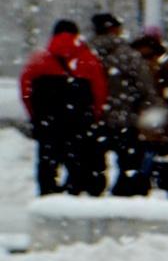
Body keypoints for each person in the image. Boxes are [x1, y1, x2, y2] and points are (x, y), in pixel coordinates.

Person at [17, 19, 108, 196]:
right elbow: (100, 91)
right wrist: (93, 115)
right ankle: (73, 194)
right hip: (78, 120)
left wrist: (36, 115)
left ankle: (47, 193)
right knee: (77, 159)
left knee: (47, 159)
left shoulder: (39, 59)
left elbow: (25, 90)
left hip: (48, 120)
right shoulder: (87, 59)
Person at [86, 12, 161, 196]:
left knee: (94, 167)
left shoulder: (85, 54)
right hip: (125, 120)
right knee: (128, 167)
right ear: (114, 29)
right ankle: (123, 197)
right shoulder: (128, 56)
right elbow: (146, 89)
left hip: (92, 120)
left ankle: (92, 197)